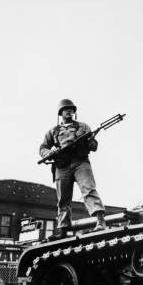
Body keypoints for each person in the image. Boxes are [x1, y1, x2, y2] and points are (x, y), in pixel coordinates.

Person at [40, 99, 106, 240]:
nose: (69, 111)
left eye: (71, 109)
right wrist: (49, 153)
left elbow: (94, 147)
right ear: (61, 113)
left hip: (80, 162)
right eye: (66, 109)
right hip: (62, 165)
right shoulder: (53, 131)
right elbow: (43, 148)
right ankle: (63, 229)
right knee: (63, 199)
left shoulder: (83, 127)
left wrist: (88, 140)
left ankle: (100, 221)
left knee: (88, 189)